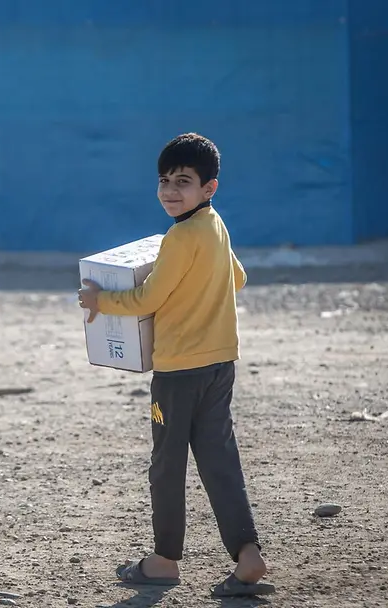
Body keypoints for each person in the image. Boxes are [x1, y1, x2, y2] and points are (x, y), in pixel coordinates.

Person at [77, 133, 275, 598]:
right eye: (164, 180)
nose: (169, 190)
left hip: (177, 373)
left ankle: (165, 560)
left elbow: (147, 298)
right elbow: (238, 278)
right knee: (220, 462)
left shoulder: (180, 236)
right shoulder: (214, 226)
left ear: (209, 187)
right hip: (220, 364)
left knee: (167, 465)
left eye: (182, 181)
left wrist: (100, 300)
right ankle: (249, 556)